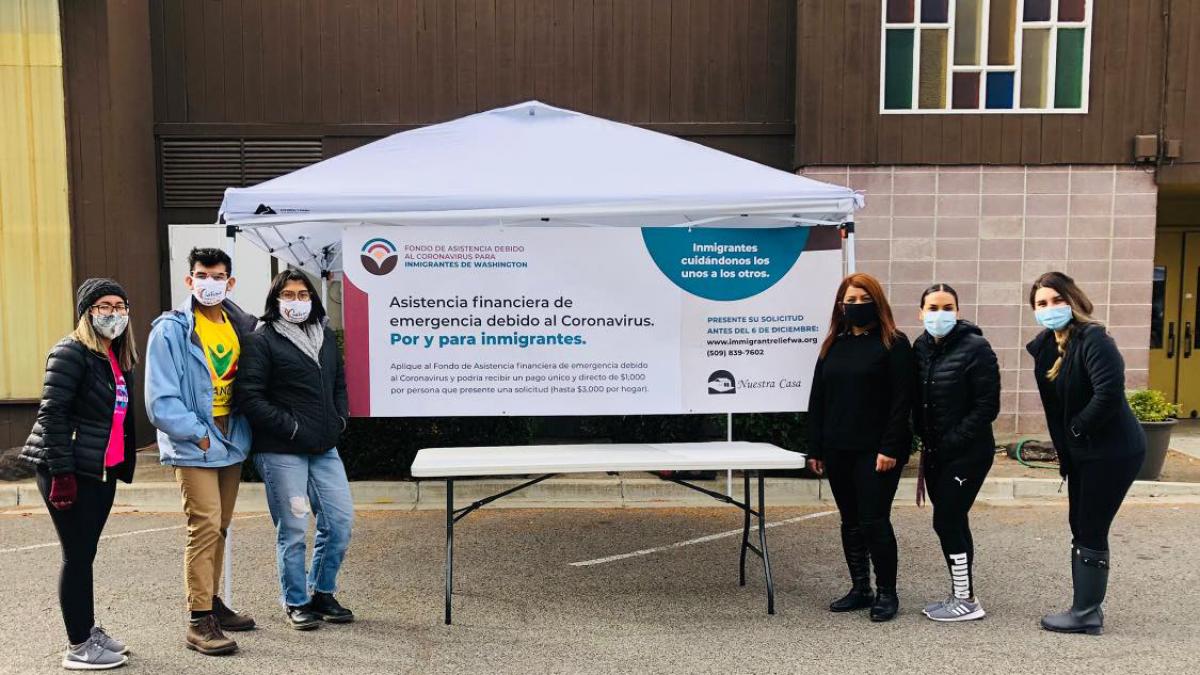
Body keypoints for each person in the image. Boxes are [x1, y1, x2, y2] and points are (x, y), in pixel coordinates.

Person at [21, 279, 138, 670]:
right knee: (76, 556)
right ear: (88, 312)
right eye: (104, 306)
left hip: (99, 470)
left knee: (85, 554)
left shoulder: (114, 355)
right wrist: (62, 475)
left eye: (120, 306)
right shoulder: (70, 352)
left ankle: (88, 630)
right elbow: (52, 414)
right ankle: (78, 645)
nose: (114, 313)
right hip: (70, 470)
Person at [145, 248, 257, 655]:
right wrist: (199, 434)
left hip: (232, 437)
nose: (210, 282)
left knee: (222, 524)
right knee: (205, 524)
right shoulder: (171, 330)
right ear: (189, 281)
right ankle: (198, 620)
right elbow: (160, 400)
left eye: (218, 276)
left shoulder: (240, 324)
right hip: (196, 441)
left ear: (230, 282)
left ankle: (213, 602)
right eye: (201, 275)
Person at [1026, 272, 1146, 636]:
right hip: (1084, 451)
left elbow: (1108, 393)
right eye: (1041, 304)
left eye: (1056, 300)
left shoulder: (1095, 339)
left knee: (1091, 525)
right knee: (1080, 524)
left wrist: (1076, 431)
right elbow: (1053, 408)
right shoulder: (1046, 346)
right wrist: (1066, 450)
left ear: (1072, 300)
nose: (1050, 309)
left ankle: (1087, 613)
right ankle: (1085, 608)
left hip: (1112, 451)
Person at [235, 270, 355, 630]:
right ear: (276, 300)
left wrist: (340, 419)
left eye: (303, 295)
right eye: (288, 295)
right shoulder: (263, 340)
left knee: (340, 521)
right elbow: (249, 396)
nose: (297, 301)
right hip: (282, 450)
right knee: (294, 527)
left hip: (323, 447)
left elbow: (338, 382)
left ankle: (322, 592)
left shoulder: (325, 337)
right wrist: (292, 427)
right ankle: (296, 599)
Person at [806, 272, 913, 622]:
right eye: (848, 301)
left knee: (874, 521)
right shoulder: (832, 345)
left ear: (877, 301)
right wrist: (815, 448)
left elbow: (902, 402)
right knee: (850, 522)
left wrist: (891, 447)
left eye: (861, 299)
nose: (855, 306)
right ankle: (860, 588)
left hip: (877, 452)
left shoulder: (894, 343)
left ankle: (887, 593)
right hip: (837, 449)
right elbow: (818, 399)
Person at [911, 283, 1000, 622]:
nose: (939, 314)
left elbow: (986, 406)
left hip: (968, 452)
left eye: (946, 307)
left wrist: (951, 441)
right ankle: (960, 594)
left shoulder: (976, 347)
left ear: (958, 312)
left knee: (946, 519)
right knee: (953, 520)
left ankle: (967, 600)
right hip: (936, 453)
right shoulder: (920, 347)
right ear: (921, 313)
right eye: (932, 308)